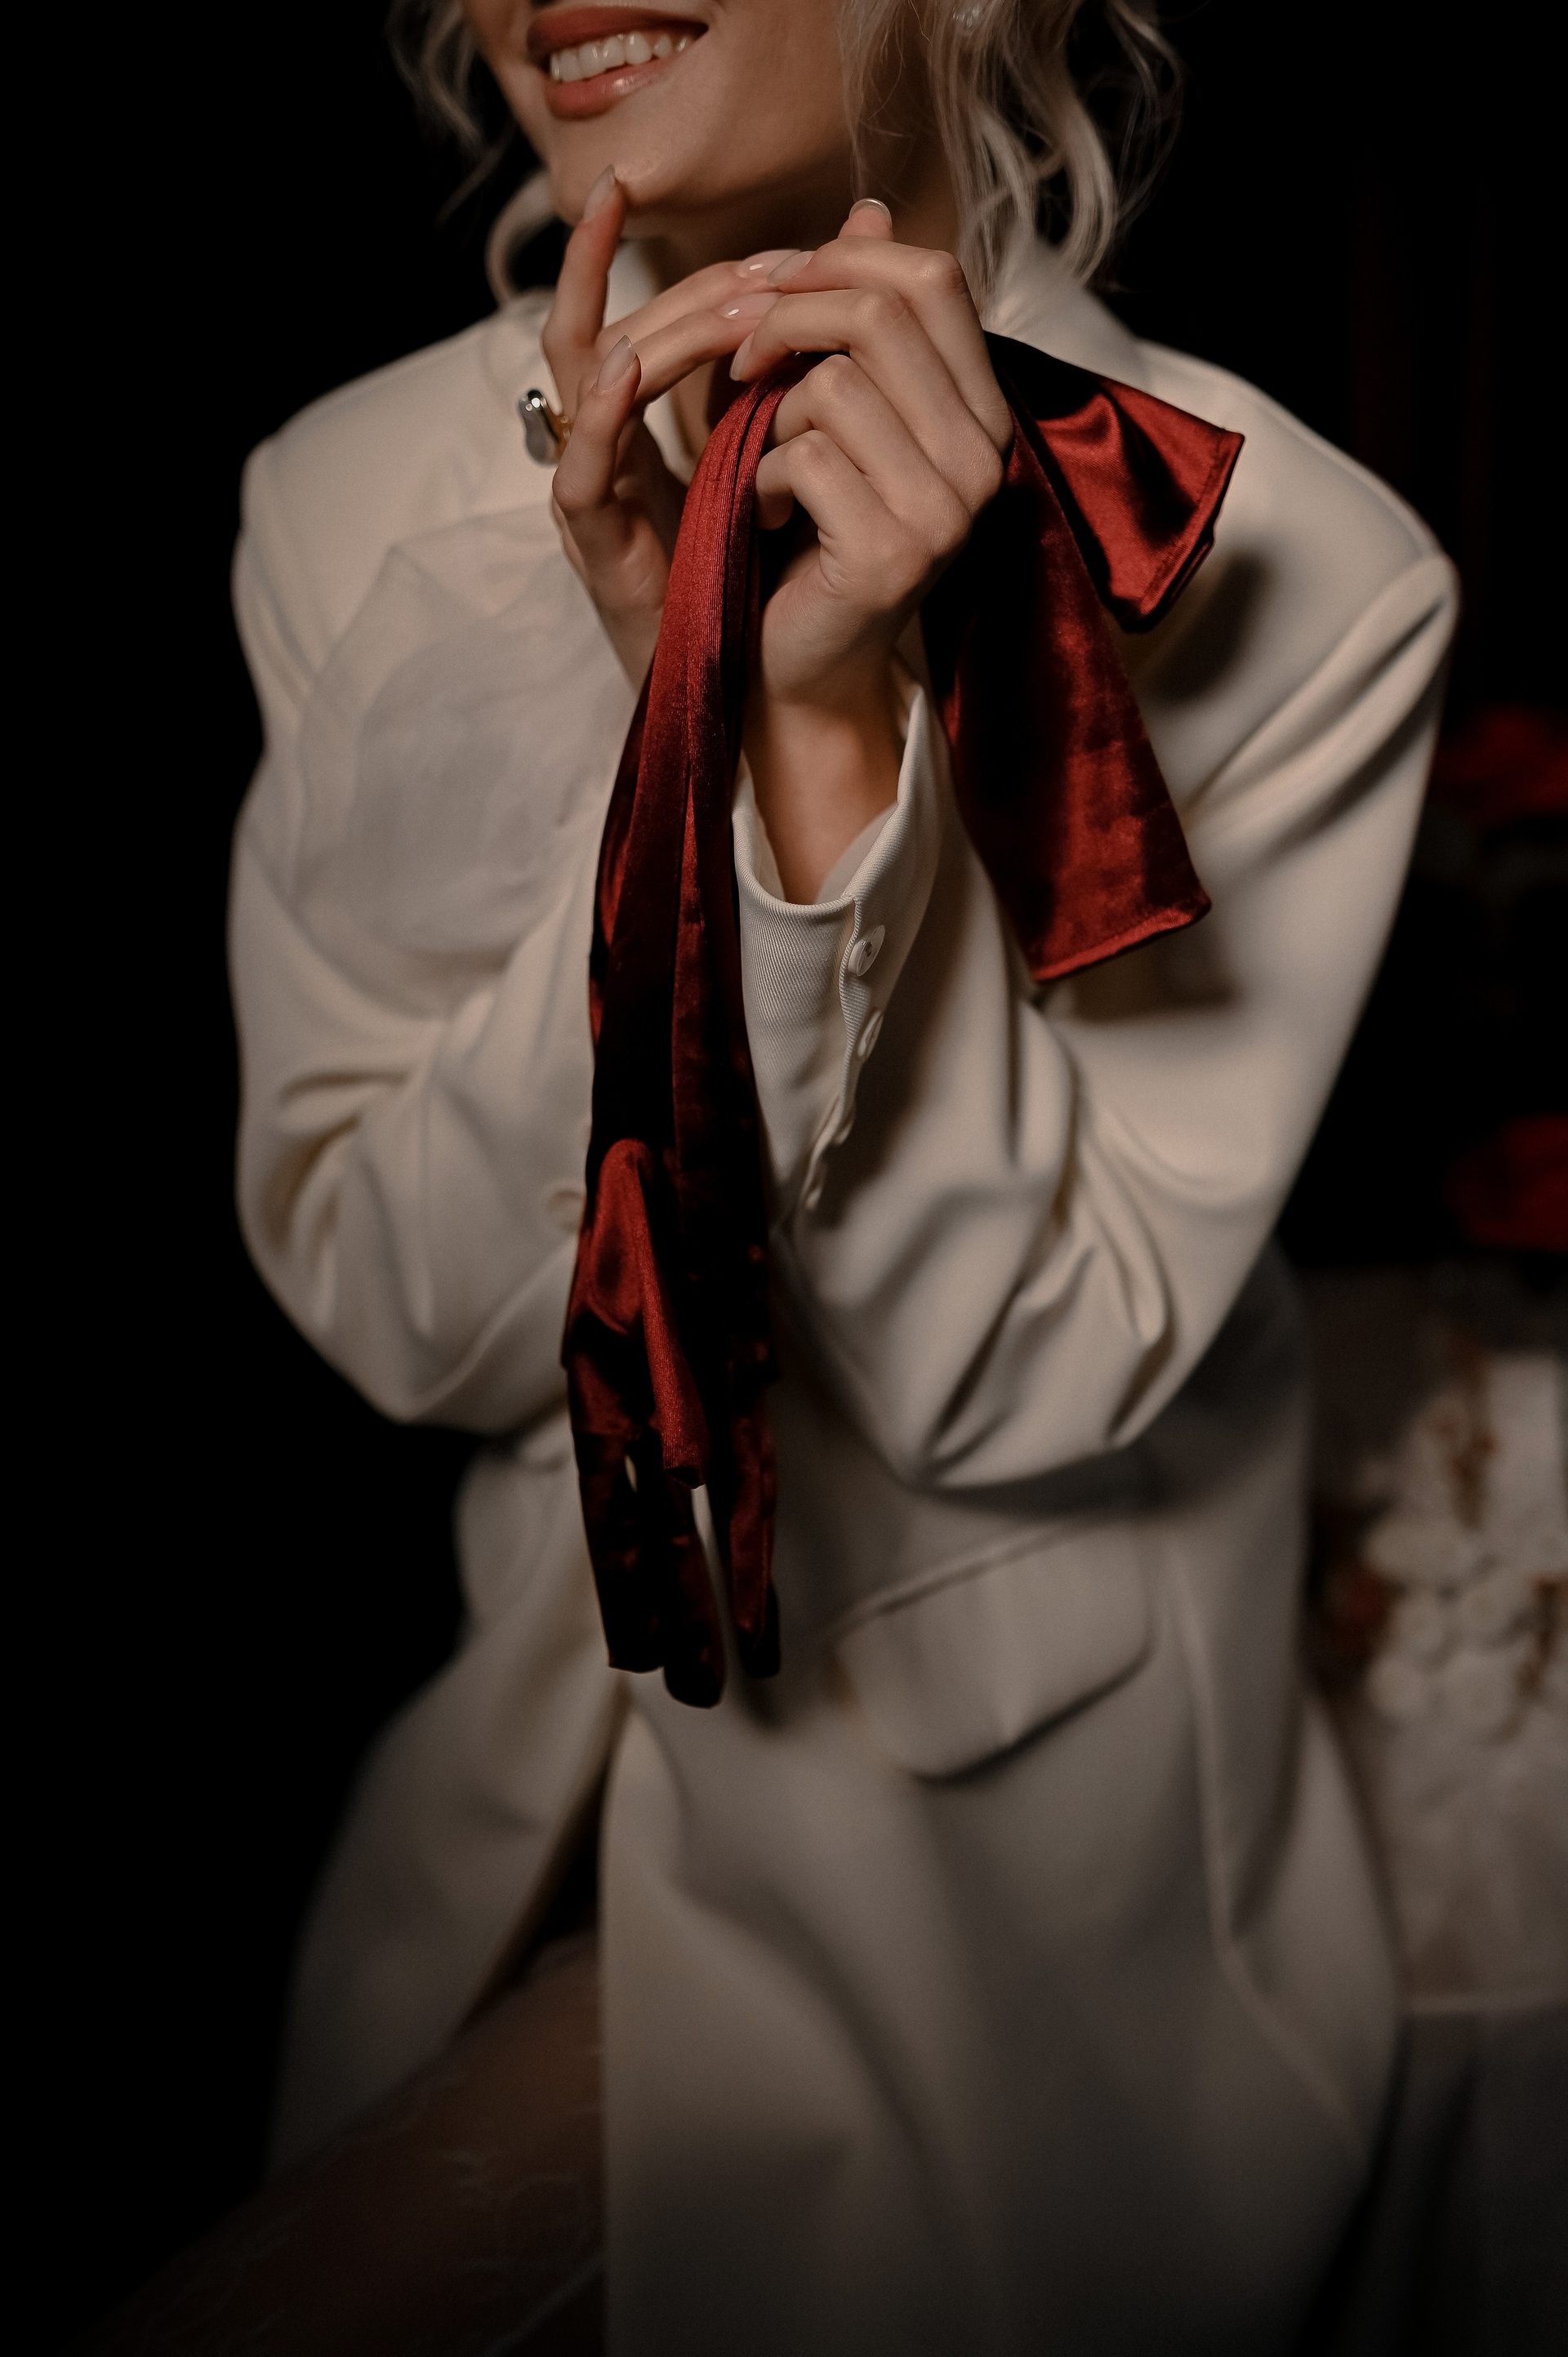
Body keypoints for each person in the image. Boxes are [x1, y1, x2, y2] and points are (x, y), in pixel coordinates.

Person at [95, 2, 1460, 2350]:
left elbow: (1013, 1379)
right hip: (494, 1835)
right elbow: (395, 1309)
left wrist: (819, 740)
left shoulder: (1297, 560)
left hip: (1018, 1922)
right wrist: (682, 753)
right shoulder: (338, 496)